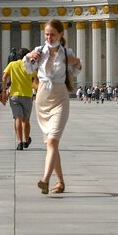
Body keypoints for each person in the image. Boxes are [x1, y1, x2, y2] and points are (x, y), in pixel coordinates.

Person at [23, 19, 82, 195]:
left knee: (53, 141)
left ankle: (45, 180)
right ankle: (61, 182)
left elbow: (77, 70)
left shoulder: (66, 52)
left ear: (61, 35)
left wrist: (76, 61)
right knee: (51, 144)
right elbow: (27, 69)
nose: (49, 37)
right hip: (42, 99)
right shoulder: (39, 51)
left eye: (53, 34)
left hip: (60, 99)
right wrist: (30, 58)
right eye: (47, 34)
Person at [3, 47, 34, 150]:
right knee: (26, 120)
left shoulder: (12, 64)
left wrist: (4, 91)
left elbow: (4, 77)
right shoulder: (30, 66)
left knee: (17, 118)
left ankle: (19, 142)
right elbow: (36, 79)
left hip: (14, 96)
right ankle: (26, 140)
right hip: (27, 95)